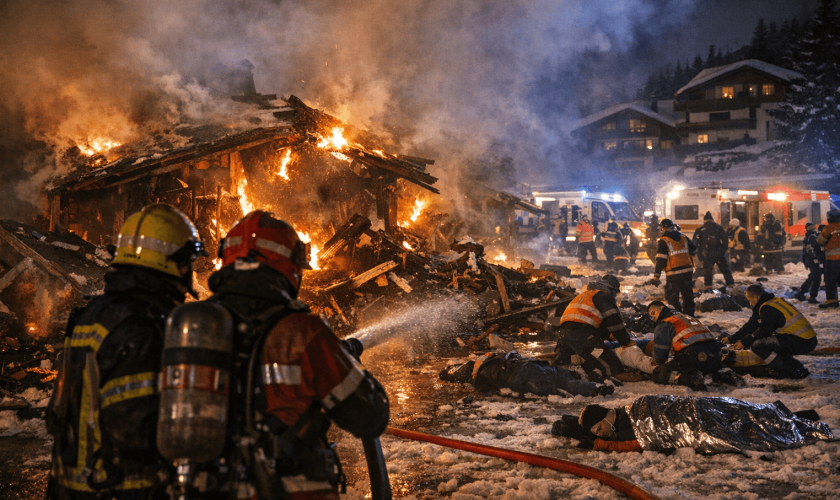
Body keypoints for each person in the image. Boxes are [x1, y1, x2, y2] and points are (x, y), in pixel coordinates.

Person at [205, 210, 389, 498]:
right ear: (287, 265)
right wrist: (341, 360)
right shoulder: (302, 332)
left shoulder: (192, 328)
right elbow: (370, 416)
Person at [46, 204, 208, 499]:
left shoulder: (96, 312)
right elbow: (134, 429)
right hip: (120, 487)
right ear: (171, 262)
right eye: (188, 261)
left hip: (71, 484)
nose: (190, 271)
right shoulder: (138, 326)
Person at [551, 396, 832, 455]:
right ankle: (793, 415)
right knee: (744, 419)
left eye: (599, 430)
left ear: (604, 417)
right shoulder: (619, 419)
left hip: (698, 412)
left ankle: (797, 417)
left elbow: (637, 443)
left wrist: (600, 444)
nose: (602, 435)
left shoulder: (631, 415)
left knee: (743, 423)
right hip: (697, 411)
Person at [552, 274, 635, 382]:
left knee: (566, 361)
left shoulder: (587, 294)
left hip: (565, 333)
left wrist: (608, 335)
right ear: (612, 288)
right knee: (611, 362)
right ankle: (620, 375)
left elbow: (593, 321)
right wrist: (625, 341)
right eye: (615, 292)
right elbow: (615, 322)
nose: (614, 296)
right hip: (581, 333)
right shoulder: (604, 295)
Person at [721, 284, 816, 379]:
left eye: (749, 300)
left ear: (756, 297)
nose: (749, 303)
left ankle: (787, 371)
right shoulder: (769, 303)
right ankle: (798, 369)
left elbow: (764, 331)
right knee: (770, 344)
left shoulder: (768, 308)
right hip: (802, 338)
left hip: (802, 341)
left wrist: (744, 342)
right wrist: (732, 339)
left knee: (758, 345)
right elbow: (752, 325)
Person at [439, 350, 614, 397]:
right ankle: (596, 388)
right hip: (534, 366)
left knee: (551, 391)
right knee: (568, 383)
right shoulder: (493, 358)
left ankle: (589, 389)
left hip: (521, 376)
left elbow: (484, 387)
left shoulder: (480, 372)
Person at [645, 301, 720, 390]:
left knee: (658, 373)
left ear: (661, 308)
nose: (653, 317)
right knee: (708, 366)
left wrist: (656, 361)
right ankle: (724, 372)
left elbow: (660, 358)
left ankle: (691, 379)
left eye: (653, 313)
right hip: (716, 354)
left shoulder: (664, 323)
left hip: (694, 356)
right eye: (651, 317)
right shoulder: (685, 317)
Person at [649, 218, 697, 316]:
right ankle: (689, 317)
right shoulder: (684, 237)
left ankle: (678, 317)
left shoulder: (663, 241)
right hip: (687, 271)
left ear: (662, 228)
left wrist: (656, 276)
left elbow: (661, 260)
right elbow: (694, 250)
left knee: (672, 296)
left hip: (673, 273)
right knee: (688, 295)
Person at [692, 211, 734, 290]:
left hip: (707, 254)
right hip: (718, 253)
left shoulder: (700, 229)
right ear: (712, 219)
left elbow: (696, 243)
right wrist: (723, 250)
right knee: (725, 269)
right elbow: (725, 240)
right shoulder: (719, 227)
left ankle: (708, 286)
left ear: (704, 220)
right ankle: (730, 284)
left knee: (708, 271)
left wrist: (701, 256)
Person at [816, 209, 840, 308]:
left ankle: (832, 300)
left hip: (832, 260)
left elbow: (820, 241)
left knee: (830, 280)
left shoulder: (828, 228)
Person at [795, 222, 823, 303]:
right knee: (816, 277)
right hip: (813, 260)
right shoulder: (813, 236)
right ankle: (809, 295)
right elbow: (811, 249)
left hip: (809, 260)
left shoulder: (809, 236)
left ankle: (803, 293)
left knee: (813, 276)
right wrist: (815, 259)